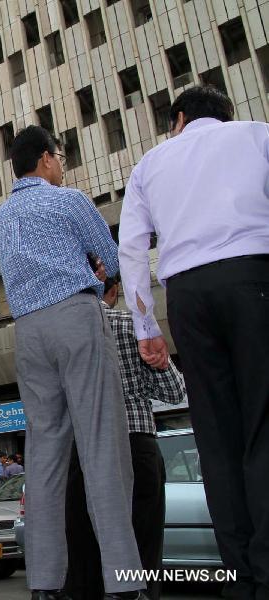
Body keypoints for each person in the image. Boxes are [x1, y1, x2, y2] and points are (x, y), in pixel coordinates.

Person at [119, 85, 269, 599]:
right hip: (255, 276)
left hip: (188, 296)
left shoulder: (150, 164)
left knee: (216, 435)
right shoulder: (257, 136)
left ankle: (240, 577)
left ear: (178, 118)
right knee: (262, 426)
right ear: (226, 115)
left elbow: (132, 250)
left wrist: (148, 328)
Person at [0, 125, 144, 600]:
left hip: (28, 331)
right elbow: (111, 257)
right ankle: (122, 580)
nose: (63, 164)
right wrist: (104, 279)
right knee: (101, 443)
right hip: (75, 316)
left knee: (43, 456)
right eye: (59, 155)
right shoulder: (68, 199)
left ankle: (43, 583)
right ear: (44, 160)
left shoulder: (0, 218)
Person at [65, 275, 186, 600]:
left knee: (85, 544)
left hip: (86, 448)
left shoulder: (68, 334)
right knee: (143, 543)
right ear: (113, 290)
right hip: (137, 443)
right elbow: (175, 392)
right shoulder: (134, 326)